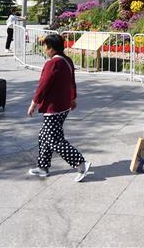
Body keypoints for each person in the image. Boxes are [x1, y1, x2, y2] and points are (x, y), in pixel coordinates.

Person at [27, 34, 91, 180]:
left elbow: (43, 86)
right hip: (64, 105)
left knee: (54, 140)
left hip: (54, 107)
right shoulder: (67, 60)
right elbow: (72, 82)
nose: (44, 49)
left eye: (45, 46)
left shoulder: (53, 63)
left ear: (51, 48)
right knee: (44, 135)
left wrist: (34, 103)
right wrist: (73, 98)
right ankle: (43, 167)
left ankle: (81, 163)